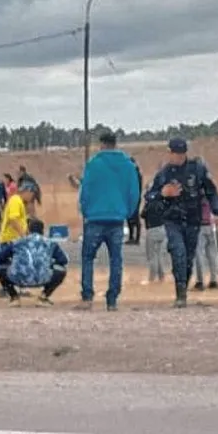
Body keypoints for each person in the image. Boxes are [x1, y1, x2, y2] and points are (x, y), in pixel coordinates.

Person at [144, 138, 218, 308]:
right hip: (172, 220)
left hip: (192, 219)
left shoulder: (197, 170)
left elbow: (211, 191)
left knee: (188, 257)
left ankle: (184, 286)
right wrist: (163, 193)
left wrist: (217, 210)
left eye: (181, 153)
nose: (177, 157)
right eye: (174, 153)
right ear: (169, 153)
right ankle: (180, 293)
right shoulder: (164, 174)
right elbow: (150, 197)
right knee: (178, 252)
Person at [76, 132, 139, 312]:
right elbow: (134, 192)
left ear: (102, 144)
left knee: (88, 257)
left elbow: (85, 191)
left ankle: (87, 296)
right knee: (116, 259)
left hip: (95, 218)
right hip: (117, 218)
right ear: (115, 144)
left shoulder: (93, 164)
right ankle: (112, 299)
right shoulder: (128, 165)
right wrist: (127, 212)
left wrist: (86, 211)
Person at [0, 218, 69, 307]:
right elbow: (63, 260)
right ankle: (43, 297)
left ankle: (14, 298)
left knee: (0, 268)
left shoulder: (18, 242)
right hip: (42, 278)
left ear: (28, 230)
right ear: (42, 231)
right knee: (62, 270)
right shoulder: (50, 243)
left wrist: (12, 262)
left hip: (18, 278)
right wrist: (49, 263)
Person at [193, 197, 218, 291]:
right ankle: (214, 280)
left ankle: (200, 281)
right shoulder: (211, 193)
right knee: (213, 254)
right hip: (211, 226)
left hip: (200, 226)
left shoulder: (195, 193)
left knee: (199, 254)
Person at [140, 194, 167, 285]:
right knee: (159, 254)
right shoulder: (162, 203)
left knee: (152, 256)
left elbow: (143, 215)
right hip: (162, 229)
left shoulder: (150, 204)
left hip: (152, 230)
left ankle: (151, 277)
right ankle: (161, 276)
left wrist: (146, 204)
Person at [125, 157, 143, 245]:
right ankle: (131, 236)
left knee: (135, 217)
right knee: (129, 217)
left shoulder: (136, 173)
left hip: (135, 197)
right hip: (129, 198)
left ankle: (137, 238)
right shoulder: (129, 174)